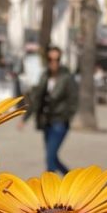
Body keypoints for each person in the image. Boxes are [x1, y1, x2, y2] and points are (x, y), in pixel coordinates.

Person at [23, 45, 78, 174]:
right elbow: (37, 98)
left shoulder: (67, 78)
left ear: (60, 60)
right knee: (52, 157)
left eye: (56, 60)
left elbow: (73, 100)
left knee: (50, 158)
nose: (53, 63)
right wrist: (25, 118)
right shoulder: (45, 76)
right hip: (46, 122)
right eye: (50, 59)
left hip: (59, 123)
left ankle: (51, 187)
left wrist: (66, 117)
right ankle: (72, 179)